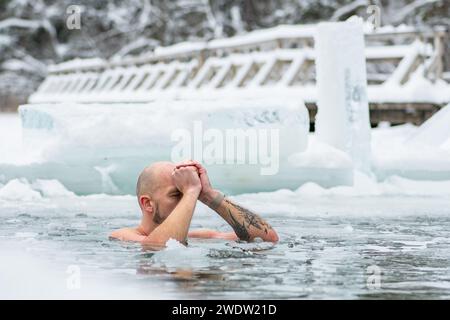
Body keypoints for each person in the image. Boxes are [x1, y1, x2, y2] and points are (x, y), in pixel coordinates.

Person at [110, 160, 279, 246]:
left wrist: (209, 195)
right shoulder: (123, 237)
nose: (187, 201)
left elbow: (266, 239)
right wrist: (191, 191)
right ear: (147, 204)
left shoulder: (199, 237)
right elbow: (160, 246)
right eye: (177, 194)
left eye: (189, 194)